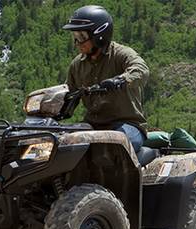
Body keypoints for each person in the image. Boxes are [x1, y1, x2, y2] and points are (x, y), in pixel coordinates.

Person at [63, 5, 150, 153]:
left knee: (113, 147)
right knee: (61, 145)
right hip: (92, 125)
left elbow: (141, 69)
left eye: (82, 37)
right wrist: (55, 103)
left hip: (127, 125)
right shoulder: (77, 65)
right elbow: (67, 92)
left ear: (99, 35)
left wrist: (121, 80)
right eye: (75, 37)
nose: (77, 42)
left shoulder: (122, 54)